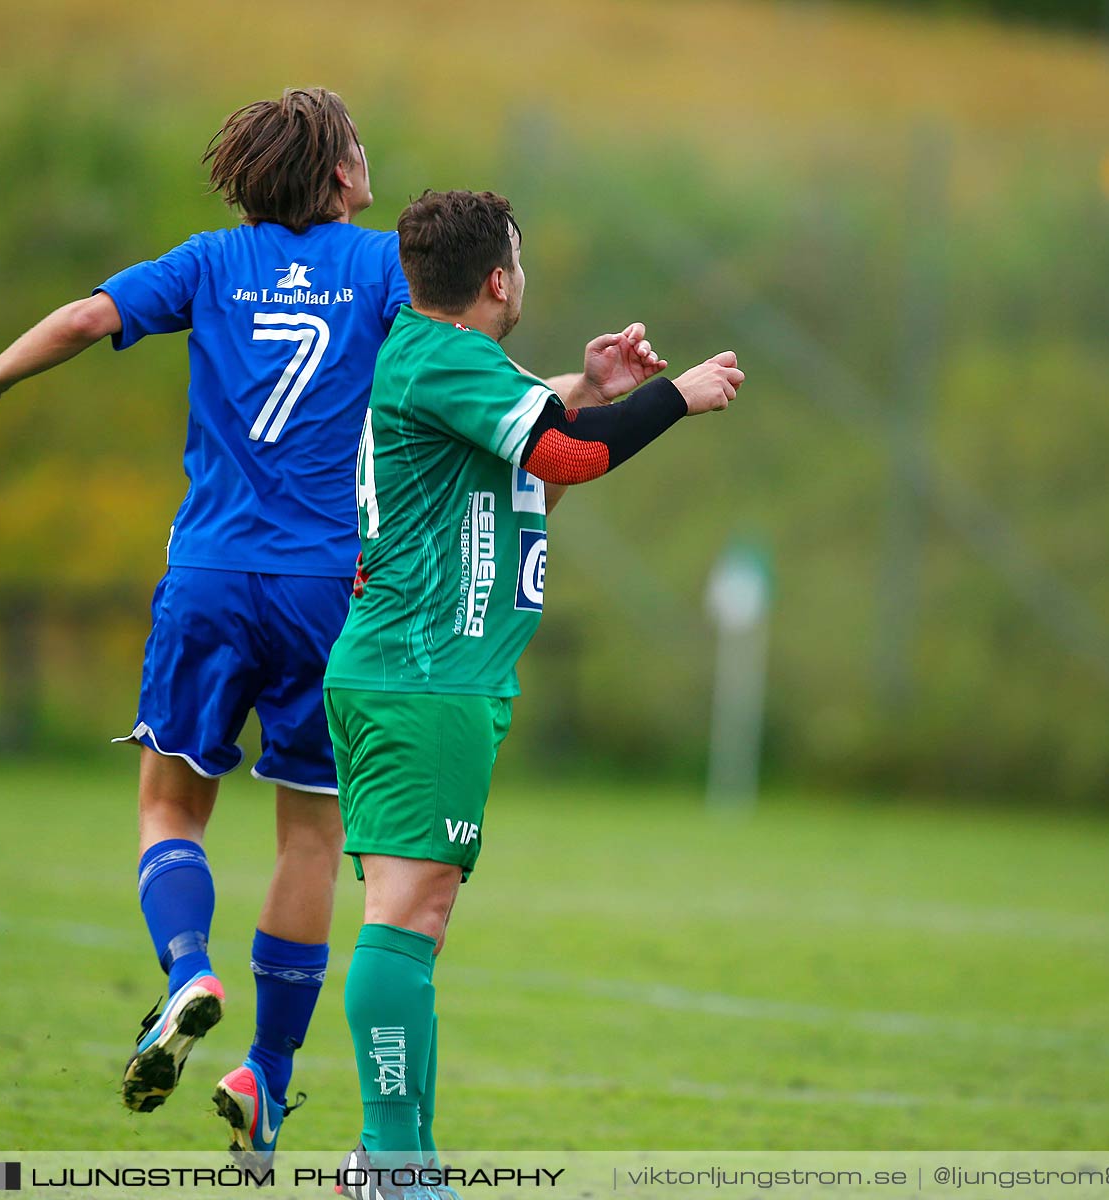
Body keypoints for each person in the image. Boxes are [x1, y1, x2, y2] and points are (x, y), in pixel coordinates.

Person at [0, 90, 667, 1159]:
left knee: (170, 808)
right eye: (355, 145)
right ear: (333, 174)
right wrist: (586, 396)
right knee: (310, 838)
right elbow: (467, 397)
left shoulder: (208, 261)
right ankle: (267, 1075)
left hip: (211, 571)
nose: (368, 155)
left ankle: (187, 970)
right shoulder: (380, 271)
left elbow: (91, 317)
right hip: (334, 592)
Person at [323, 189, 743, 1198]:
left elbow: (533, 463)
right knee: (405, 913)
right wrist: (672, 399)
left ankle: (400, 1164)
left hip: (433, 674)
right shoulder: (445, 358)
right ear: (500, 279)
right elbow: (567, 456)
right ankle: (388, 1163)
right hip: (422, 675)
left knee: (416, 920)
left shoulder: (445, 363)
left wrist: (593, 387)